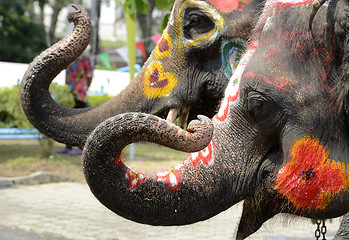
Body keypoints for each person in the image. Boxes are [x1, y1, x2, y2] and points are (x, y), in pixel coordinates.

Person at [55, 53, 93, 155]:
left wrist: (84, 87)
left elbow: (89, 75)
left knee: (80, 122)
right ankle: (68, 146)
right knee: (69, 122)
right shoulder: (69, 57)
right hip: (70, 93)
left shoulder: (85, 58)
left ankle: (81, 148)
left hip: (79, 93)